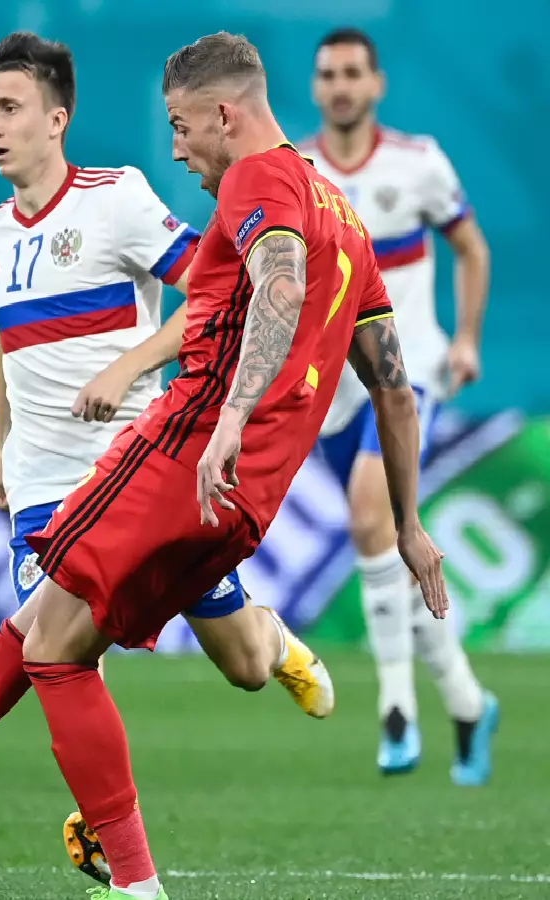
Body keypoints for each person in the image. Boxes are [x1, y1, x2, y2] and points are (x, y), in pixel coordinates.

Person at [0, 32, 448, 899]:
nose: (176, 149)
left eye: (181, 127)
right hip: (240, 502)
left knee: (52, 654)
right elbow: (395, 392)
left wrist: (227, 421)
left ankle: (133, 881)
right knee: (52, 641)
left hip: (177, 455)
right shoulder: (347, 221)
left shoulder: (254, 182)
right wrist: (409, 526)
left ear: (225, 114)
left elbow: (280, 286)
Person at [0, 32, 329, 885]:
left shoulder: (119, 201)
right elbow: (7, 337)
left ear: (60, 119)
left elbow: (212, 292)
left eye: (10, 108)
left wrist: (130, 363)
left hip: (144, 472)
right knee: (57, 654)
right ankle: (120, 848)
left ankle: (273, 644)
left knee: (238, 666)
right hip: (48, 490)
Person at [301, 27, 497, 783]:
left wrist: (468, 340)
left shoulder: (418, 162)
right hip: (335, 389)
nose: (342, 85)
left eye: (354, 72)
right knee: (383, 540)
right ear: (316, 88)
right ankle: (469, 702)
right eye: (328, 74)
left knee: (365, 515)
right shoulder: (302, 171)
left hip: (406, 370)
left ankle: (396, 711)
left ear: (377, 83)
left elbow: (472, 246)